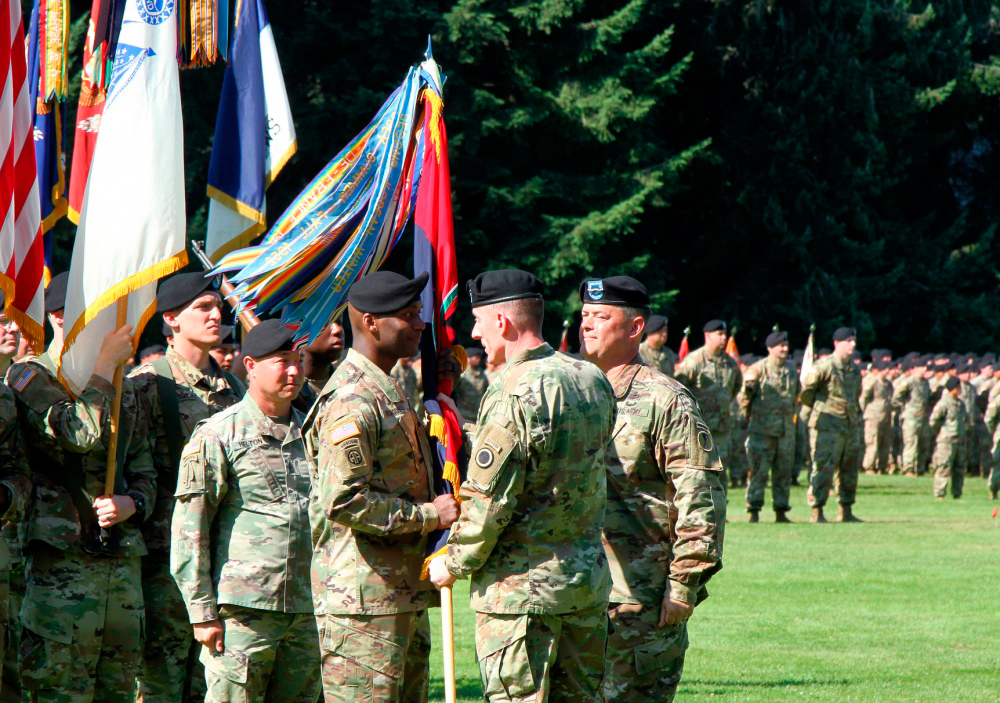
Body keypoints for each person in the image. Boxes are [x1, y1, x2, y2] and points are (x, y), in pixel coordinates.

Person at [429, 270, 616, 703]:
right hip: (584, 585)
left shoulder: (511, 391)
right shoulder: (590, 377)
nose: (474, 333)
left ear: (502, 323)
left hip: (522, 597)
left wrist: (452, 562)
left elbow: (489, 504)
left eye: (477, 321)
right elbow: (552, 459)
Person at [305, 271, 460, 703]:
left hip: (401, 594)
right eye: (408, 315)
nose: (420, 325)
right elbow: (344, 501)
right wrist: (432, 515)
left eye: (418, 314)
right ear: (372, 323)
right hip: (363, 605)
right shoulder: (354, 399)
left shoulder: (388, 388)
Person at [8, 271, 156, 702]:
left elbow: (143, 464)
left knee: (119, 690)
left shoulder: (123, 388)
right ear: (58, 317)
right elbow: (77, 434)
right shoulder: (29, 377)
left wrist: (134, 503)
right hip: (61, 568)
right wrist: (105, 368)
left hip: (121, 564)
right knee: (58, 691)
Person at [576, 276, 725, 702]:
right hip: (572, 592)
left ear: (635, 327)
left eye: (601, 317)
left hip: (638, 599)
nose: (587, 325)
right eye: (585, 315)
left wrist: (684, 585)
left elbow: (700, 496)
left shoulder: (666, 399)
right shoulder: (569, 390)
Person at [171, 319, 320, 702]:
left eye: (298, 360)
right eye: (281, 361)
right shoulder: (219, 434)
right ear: (250, 366)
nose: (293, 371)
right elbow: (191, 527)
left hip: (307, 609)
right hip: (244, 613)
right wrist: (202, 611)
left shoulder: (314, 433)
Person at [129, 272, 246, 703]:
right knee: (161, 683)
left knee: (214, 686)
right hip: (165, 562)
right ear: (171, 318)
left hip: (225, 561)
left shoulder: (234, 388)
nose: (217, 315)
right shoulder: (148, 383)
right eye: (203, 307)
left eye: (217, 306)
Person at [0, 293, 32, 698]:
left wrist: (5, 495)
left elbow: (18, 472)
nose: (12, 327)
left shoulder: (5, 396)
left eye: (13, 320)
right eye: (0, 320)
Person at [800, 327, 863, 523]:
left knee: (849, 468)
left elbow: (856, 394)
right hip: (827, 425)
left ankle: (846, 509)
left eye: (854, 341)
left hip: (849, 425)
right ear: (837, 343)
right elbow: (806, 392)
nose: (853, 344)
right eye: (849, 341)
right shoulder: (824, 366)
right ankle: (817, 510)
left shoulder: (854, 369)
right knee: (823, 467)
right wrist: (820, 409)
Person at [738, 330, 798, 523]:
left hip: (785, 431)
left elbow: (796, 395)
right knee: (759, 472)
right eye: (780, 346)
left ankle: (781, 510)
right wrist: (748, 394)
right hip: (762, 432)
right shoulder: (758, 369)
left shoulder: (791, 369)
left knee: (783, 473)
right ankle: (753, 511)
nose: (784, 349)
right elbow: (743, 400)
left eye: (786, 345)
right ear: (770, 348)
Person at [675, 320, 743, 487]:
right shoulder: (694, 360)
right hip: (699, 428)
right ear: (707, 336)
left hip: (722, 428)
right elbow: (679, 389)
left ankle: (720, 512)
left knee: (720, 472)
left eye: (724, 334)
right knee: (698, 474)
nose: (723, 338)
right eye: (719, 334)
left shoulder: (730, 363)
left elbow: (735, 387)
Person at [291, 319, 345, 414]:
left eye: (339, 322)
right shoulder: (285, 392)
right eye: (325, 323)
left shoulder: (351, 383)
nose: (338, 329)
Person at [929, 376, 968, 500]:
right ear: (952, 389)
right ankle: (940, 494)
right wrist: (941, 433)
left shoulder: (960, 404)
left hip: (960, 440)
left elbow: (965, 420)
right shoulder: (943, 403)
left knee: (959, 468)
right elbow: (934, 421)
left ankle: (957, 493)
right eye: (958, 388)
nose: (960, 390)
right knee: (943, 467)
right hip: (946, 441)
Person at [892, 357, 931, 476]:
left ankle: (920, 468)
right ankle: (908, 468)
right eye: (922, 367)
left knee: (924, 443)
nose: (924, 369)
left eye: (925, 367)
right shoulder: (909, 381)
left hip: (923, 416)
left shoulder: (925, 383)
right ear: (916, 368)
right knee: (911, 443)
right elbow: (896, 397)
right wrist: (904, 407)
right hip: (911, 417)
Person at [860, 360, 894, 475]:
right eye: (885, 369)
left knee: (885, 442)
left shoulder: (888, 384)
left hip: (886, 415)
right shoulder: (873, 382)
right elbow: (864, 398)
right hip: (873, 415)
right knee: (872, 442)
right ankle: (869, 466)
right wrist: (864, 411)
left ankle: (882, 466)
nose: (887, 371)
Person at [452, 345, 489, 420]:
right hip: (462, 414)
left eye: (479, 358)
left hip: (477, 414)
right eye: (476, 358)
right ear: (468, 358)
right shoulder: (460, 373)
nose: (479, 360)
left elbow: (485, 390)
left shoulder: (481, 373)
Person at [639, 314, 678, 378]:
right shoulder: (638, 352)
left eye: (665, 330)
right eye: (661, 331)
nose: (664, 334)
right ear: (650, 331)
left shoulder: (669, 353)